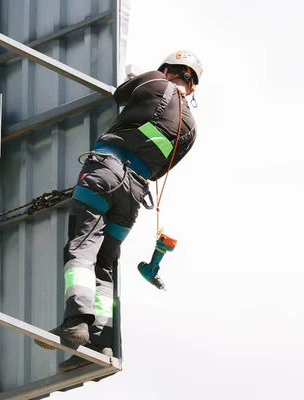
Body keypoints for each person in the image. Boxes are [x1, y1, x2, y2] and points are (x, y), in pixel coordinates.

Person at [34, 50, 203, 372]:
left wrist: (138, 80)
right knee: (105, 264)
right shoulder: (192, 129)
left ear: (167, 70)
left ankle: (76, 322)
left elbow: (120, 96)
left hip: (105, 173)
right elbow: (160, 170)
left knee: (82, 249)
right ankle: (99, 341)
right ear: (192, 87)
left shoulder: (155, 80)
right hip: (135, 193)